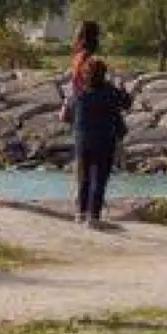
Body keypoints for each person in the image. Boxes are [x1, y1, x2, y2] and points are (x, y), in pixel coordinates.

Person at [65, 44, 132, 227]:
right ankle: (93, 216)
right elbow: (126, 103)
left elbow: (67, 114)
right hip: (104, 139)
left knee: (84, 177)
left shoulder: (80, 93)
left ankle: (81, 213)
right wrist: (122, 87)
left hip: (82, 139)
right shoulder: (110, 92)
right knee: (99, 178)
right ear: (104, 74)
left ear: (86, 74)